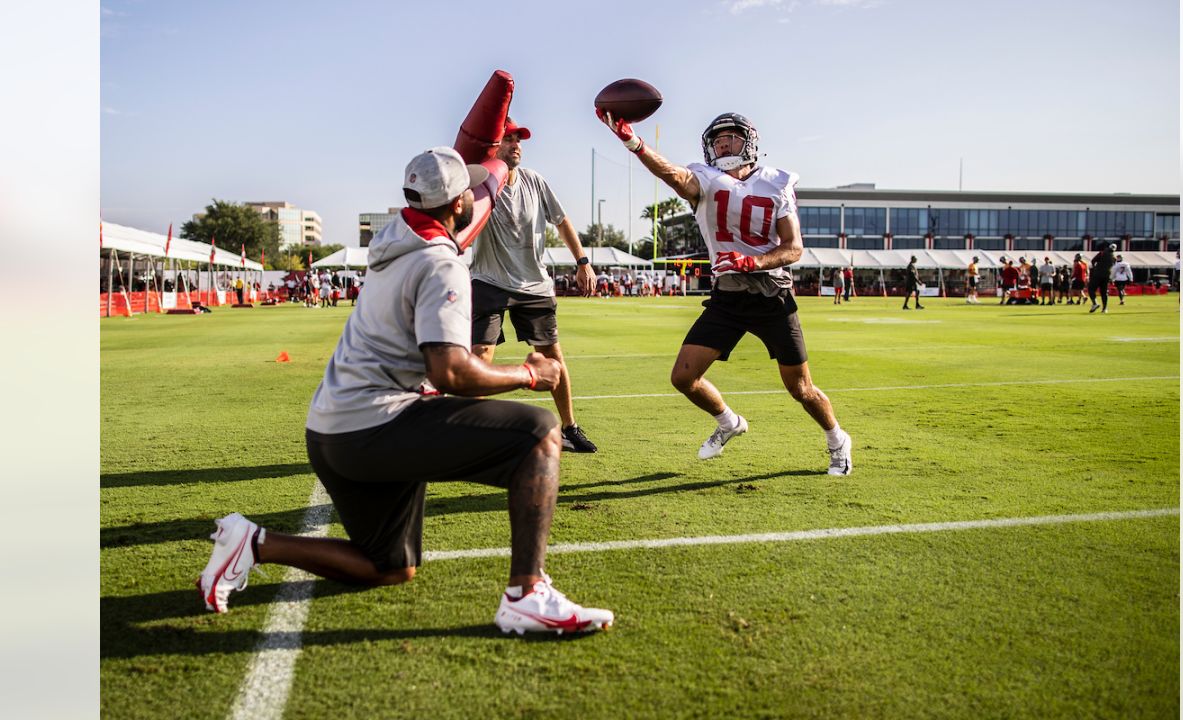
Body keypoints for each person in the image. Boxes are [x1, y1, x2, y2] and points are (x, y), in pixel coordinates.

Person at [196, 147, 613, 634]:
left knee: (389, 565)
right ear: (459, 203)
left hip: (331, 431)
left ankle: (255, 543)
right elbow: (452, 374)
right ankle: (526, 593)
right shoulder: (440, 263)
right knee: (539, 431)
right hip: (373, 426)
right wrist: (528, 374)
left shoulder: (395, 242)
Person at [597, 109, 853, 475]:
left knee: (801, 389)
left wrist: (752, 262)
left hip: (772, 296)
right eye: (716, 140)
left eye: (729, 137)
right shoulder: (706, 179)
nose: (722, 144)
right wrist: (633, 142)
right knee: (683, 377)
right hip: (728, 297)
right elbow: (674, 176)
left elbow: (793, 248)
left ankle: (837, 439)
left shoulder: (776, 182)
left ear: (748, 141)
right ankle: (729, 422)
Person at [469, 117, 599, 453]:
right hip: (488, 281)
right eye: (508, 139)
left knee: (554, 358)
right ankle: (477, 435)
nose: (516, 145)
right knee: (480, 356)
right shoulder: (478, 182)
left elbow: (562, 220)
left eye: (518, 140)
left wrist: (582, 261)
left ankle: (569, 428)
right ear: (493, 146)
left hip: (534, 284)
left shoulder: (535, 181)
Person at [1088, 243, 1117, 313]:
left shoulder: (1101, 253)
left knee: (1091, 289)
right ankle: (1105, 308)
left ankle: (1095, 303)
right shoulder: (1114, 258)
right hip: (1107, 276)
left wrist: (1095, 268)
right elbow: (1113, 268)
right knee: (1104, 292)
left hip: (1097, 274)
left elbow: (1093, 261)